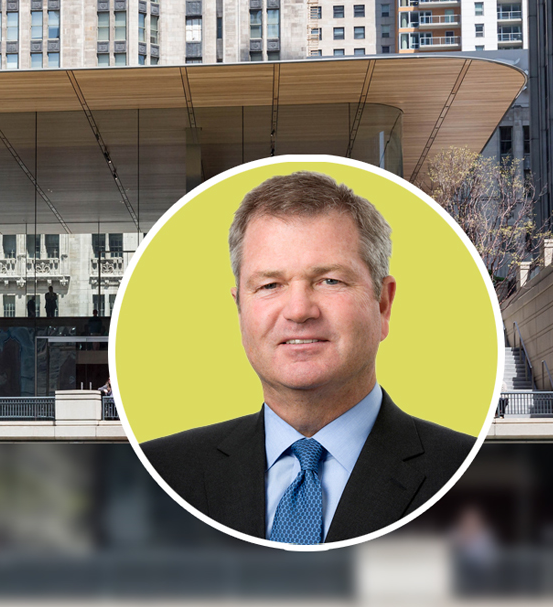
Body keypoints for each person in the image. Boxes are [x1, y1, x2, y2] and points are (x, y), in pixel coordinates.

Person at [141, 171, 475, 545]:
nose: (299, 311)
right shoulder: (159, 473)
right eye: (270, 285)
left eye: (329, 280)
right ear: (240, 309)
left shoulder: (468, 473)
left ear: (382, 305)